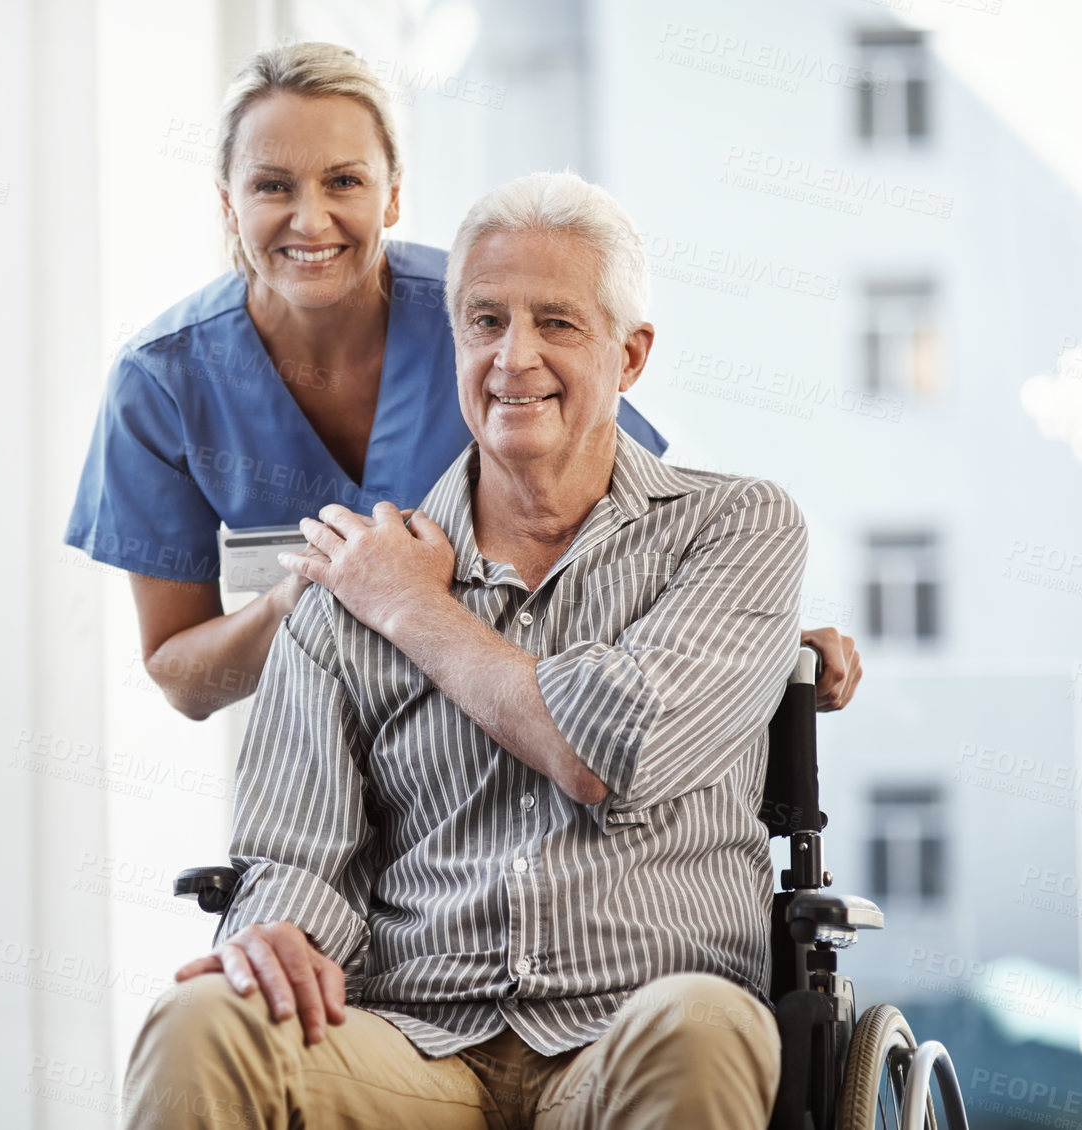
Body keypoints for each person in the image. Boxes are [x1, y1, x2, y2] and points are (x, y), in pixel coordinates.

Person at [123, 172, 800, 1128]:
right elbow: (293, 855)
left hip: (635, 1028)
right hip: (412, 1047)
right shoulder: (344, 586)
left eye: (558, 323)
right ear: (455, 344)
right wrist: (277, 932)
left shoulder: (734, 531)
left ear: (632, 354)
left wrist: (413, 609)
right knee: (201, 1020)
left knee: (700, 1024)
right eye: (485, 322)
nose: (514, 357)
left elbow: (614, 752)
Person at [63, 42, 860, 721]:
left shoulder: (491, 324)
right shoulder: (162, 384)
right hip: (324, 776)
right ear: (228, 206)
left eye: (344, 181)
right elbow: (184, 678)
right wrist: (301, 602)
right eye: (272, 185)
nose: (310, 220)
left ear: (394, 194)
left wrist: (750, 639)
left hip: (516, 736)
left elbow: (634, 527)